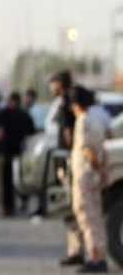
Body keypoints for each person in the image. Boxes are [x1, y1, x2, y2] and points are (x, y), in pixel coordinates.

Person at [66, 85, 109, 272]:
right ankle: (99, 256)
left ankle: (95, 258)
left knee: (87, 217)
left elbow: (87, 149)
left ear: (76, 104)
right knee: (95, 218)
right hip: (92, 175)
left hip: (85, 175)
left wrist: (95, 166)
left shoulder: (83, 121)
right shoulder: (96, 119)